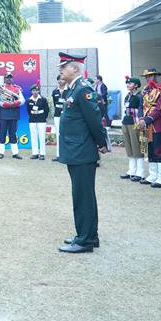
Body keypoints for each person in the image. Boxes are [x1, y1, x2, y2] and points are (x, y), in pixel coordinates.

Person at [57, 52, 108, 253]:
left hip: (82, 151)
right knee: (82, 194)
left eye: (64, 66)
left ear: (75, 69)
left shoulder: (83, 90)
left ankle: (85, 240)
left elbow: (94, 120)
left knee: (83, 196)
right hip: (76, 150)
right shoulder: (73, 90)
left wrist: (101, 143)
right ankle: (88, 235)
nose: (61, 70)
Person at [138, 68, 161, 188]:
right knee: (149, 149)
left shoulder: (160, 90)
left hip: (156, 124)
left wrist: (149, 119)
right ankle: (153, 175)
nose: (147, 78)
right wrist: (141, 118)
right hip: (146, 123)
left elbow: (159, 107)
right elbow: (141, 105)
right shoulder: (145, 90)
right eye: (146, 76)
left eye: (150, 76)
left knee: (158, 150)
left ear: (156, 76)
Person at [120, 76, 145, 181]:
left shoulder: (139, 96)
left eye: (130, 84)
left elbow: (140, 110)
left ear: (136, 85)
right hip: (126, 121)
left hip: (134, 123)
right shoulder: (127, 96)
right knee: (129, 147)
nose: (128, 85)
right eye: (127, 83)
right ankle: (132, 170)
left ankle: (140, 172)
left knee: (136, 147)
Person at [0, 72, 24, 159]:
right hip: (4, 114)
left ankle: (15, 153)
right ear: (4, 79)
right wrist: (4, 104)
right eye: (7, 77)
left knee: (13, 134)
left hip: (14, 114)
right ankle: (1, 153)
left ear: (12, 79)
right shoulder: (0, 88)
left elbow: (22, 100)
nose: (9, 79)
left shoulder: (17, 89)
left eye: (10, 77)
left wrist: (15, 103)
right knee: (2, 134)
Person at [26, 81, 49, 160]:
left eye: (36, 90)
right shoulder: (29, 100)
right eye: (33, 90)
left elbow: (46, 110)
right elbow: (29, 111)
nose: (35, 92)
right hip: (32, 119)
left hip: (41, 119)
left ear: (38, 91)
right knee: (33, 137)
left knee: (42, 137)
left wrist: (43, 117)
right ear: (31, 91)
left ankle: (42, 154)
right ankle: (35, 153)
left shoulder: (43, 99)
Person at [51, 75, 67, 161]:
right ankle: (58, 155)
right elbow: (54, 103)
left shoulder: (69, 91)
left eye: (62, 79)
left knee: (67, 134)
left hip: (67, 116)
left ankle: (67, 155)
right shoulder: (54, 92)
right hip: (57, 115)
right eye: (59, 80)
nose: (60, 81)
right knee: (58, 134)